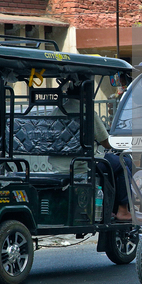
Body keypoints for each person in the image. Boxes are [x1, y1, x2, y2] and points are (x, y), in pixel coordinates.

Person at [49, 81, 132, 221]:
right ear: (85, 94)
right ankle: (123, 210)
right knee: (125, 162)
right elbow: (105, 143)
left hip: (59, 165)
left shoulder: (56, 111)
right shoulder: (87, 111)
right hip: (84, 164)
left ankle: (110, 207)